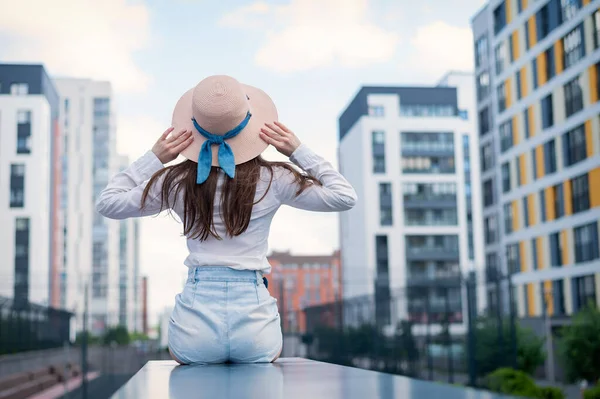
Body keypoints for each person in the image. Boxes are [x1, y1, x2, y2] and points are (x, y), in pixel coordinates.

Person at [96, 75, 357, 365]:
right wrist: (297, 150)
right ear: (252, 125)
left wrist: (155, 157)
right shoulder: (275, 178)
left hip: (194, 324)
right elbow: (344, 196)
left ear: (195, 129)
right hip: (255, 324)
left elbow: (108, 203)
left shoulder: (176, 182)